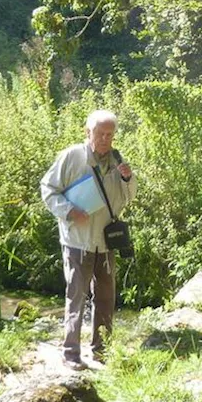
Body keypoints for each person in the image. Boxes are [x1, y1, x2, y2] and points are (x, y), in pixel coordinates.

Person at [40, 110, 138, 370]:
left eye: (110, 134)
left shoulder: (118, 160)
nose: (105, 139)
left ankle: (102, 351)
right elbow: (48, 189)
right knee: (76, 296)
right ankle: (70, 353)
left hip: (106, 241)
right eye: (100, 134)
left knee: (106, 297)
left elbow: (128, 197)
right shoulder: (72, 156)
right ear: (88, 132)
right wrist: (69, 211)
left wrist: (128, 179)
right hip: (77, 241)